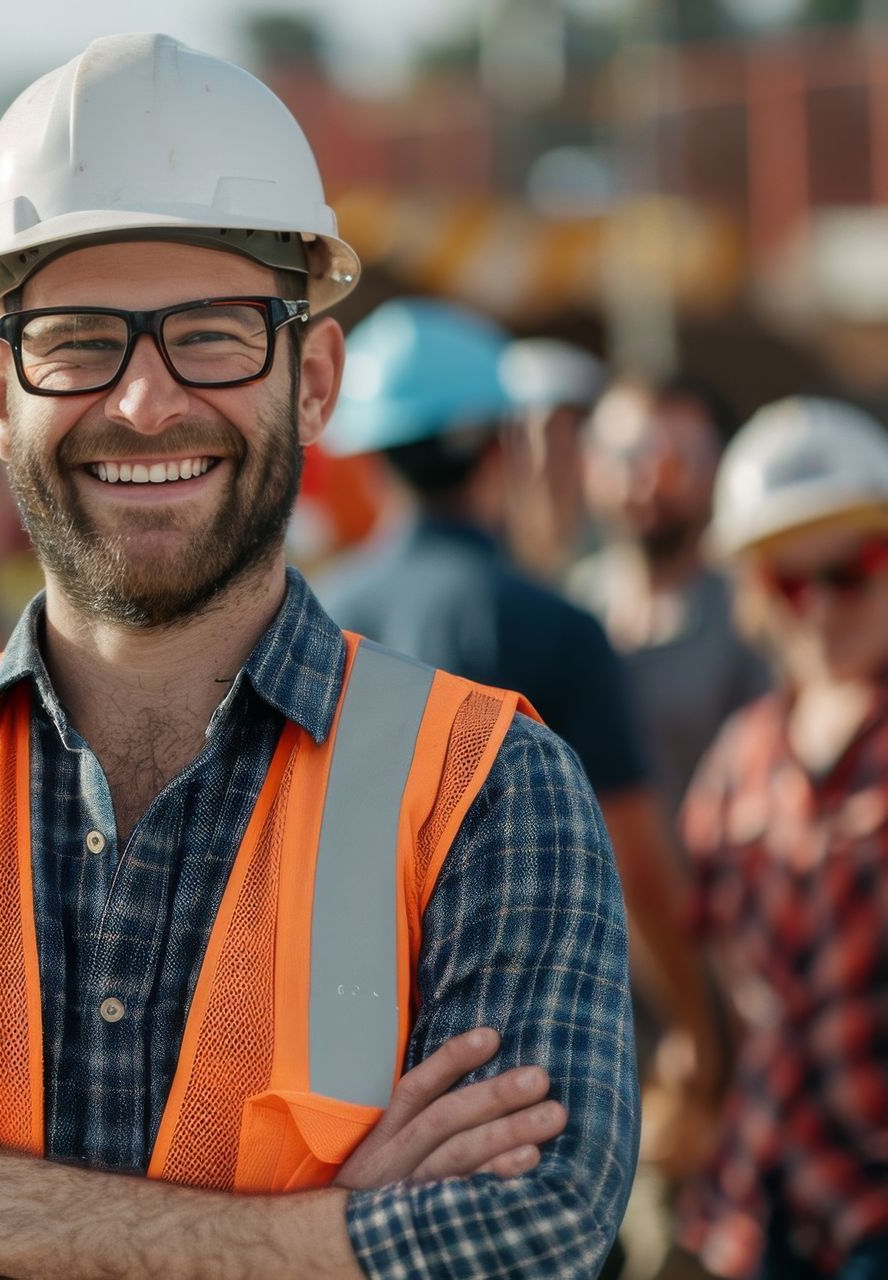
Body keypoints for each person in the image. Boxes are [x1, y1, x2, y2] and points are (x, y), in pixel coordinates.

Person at [0, 35, 638, 1279]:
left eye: (217, 334)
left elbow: (527, 1233)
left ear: (316, 378)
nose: (143, 402)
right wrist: (321, 1236)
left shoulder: (489, 788)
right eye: (76, 339)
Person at [317, 298, 720, 1125]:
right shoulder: (555, 627)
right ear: (502, 446)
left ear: (368, 455)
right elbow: (633, 860)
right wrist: (695, 1024)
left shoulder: (310, 620)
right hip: (516, 1073)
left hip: (332, 1061)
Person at [677, 397, 888, 1280]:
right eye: (791, 582)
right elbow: (710, 960)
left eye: (851, 571)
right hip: (755, 1206)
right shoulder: (741, 759)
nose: (823, 606)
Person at [569, 375, 771, 813]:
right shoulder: (566, 604)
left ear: (720, 468)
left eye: (675, 462)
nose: (647, 481)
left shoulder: (757, 612)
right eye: (626, 456)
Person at [499, 336, 608, 579]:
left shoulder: (624, 546)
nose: (540, 461)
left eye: (557, 435)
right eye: (520, 436)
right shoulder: (485, 550)